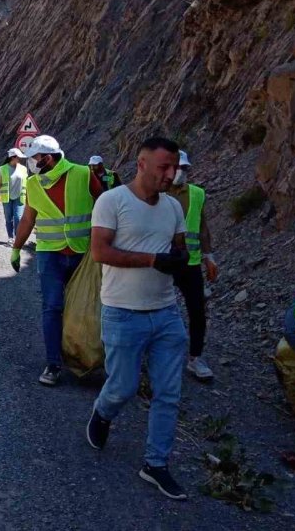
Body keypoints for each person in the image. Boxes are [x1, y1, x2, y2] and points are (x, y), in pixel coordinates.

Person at [86, 136, 190, 501]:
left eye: (174, 167)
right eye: (164, 166)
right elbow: (100, 252)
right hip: (122, 312)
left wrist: (184, 262)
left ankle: (156, 463)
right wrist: (151, 260)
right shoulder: (112, 201)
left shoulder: (174, 208)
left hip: (166, 313)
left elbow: (179, 249)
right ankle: (102, 411)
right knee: (123, 387)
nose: (170, 174)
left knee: (169, 393)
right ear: (141, 163)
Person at [11, 135, 103, 385]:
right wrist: (16, 248)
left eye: (34, 159)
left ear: (48, 159)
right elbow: (28, 219)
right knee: (52, 307)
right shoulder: (33, 184)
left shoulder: (83, 174)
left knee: (84, 307)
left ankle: (86, 358)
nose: (30, 163)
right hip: (49, 254)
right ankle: (53, 364)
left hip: (83, 255)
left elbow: (105, 204)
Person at [167, 150, 219, 382]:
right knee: (153, 308)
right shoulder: (156, 192)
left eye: (184, 168)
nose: (181, 172)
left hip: (191, 263)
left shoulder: (197, 194)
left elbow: (203, 226)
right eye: (177, 167)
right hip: (162, 261)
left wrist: (210, 256)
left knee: (197, 310)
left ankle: (195, 357)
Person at [0, 148, 28, 242]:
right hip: (7, 197)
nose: (20, 159)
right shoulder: (3, 168)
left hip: (19, 197)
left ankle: (17, 238)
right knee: (9, 218)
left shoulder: (23, 169)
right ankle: (10, 237)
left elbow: (27, 183)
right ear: (12, 157)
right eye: (18, 157)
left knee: (18, 217)